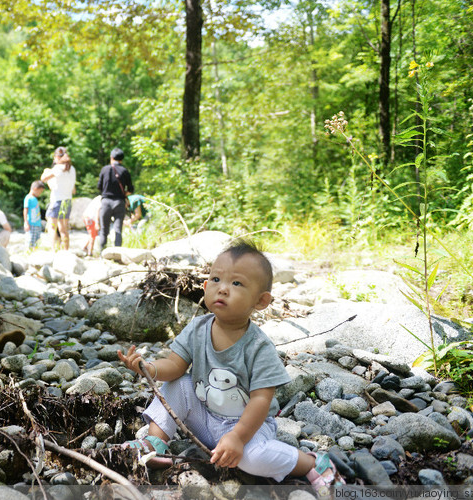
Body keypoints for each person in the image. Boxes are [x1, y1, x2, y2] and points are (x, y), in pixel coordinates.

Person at [117, 241, 344, 493]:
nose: (222, 289)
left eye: (236, 283)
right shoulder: (197, 328)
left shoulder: (258, 347)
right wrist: (148, 367)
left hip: (248, 426)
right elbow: (174, 365)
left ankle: (311, 463)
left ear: (261, 301)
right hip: (204, 415)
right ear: (205, 286)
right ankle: (155, 442)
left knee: (253, 460)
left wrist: (238, 437)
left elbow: (261, 400)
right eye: (215, 279)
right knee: (179, 384)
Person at [97, 147, 133, 251]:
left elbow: (99, 187)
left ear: (111, 157)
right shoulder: (125, 171)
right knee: (118, 229)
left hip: (106, 202)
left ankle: (102, 253)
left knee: (104, 230)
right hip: (119, 202)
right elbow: (130, 189)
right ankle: (117, 253)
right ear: (122, 159)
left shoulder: (105, 169)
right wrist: (123, 193)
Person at [41, 146, 76, 250]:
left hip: (57, 201)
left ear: (57, 157)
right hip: (68, 201)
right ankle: (65, 250)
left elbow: (43, 179)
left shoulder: (58, 168)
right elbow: (73, 189)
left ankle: (54, 249)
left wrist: (46, 171)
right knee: (64, 229)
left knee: (52, 227)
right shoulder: (72, 169)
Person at [24, 180, 46, 250]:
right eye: (40, 191)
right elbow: (25, 210)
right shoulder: (28, 198)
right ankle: (28, 252)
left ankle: (35, 252)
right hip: (31, 223)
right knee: (30, 240)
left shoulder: (35, 199)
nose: (40, 193)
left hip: (37, 224)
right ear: (35, 189)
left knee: (37, 240)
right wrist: (26, 222)